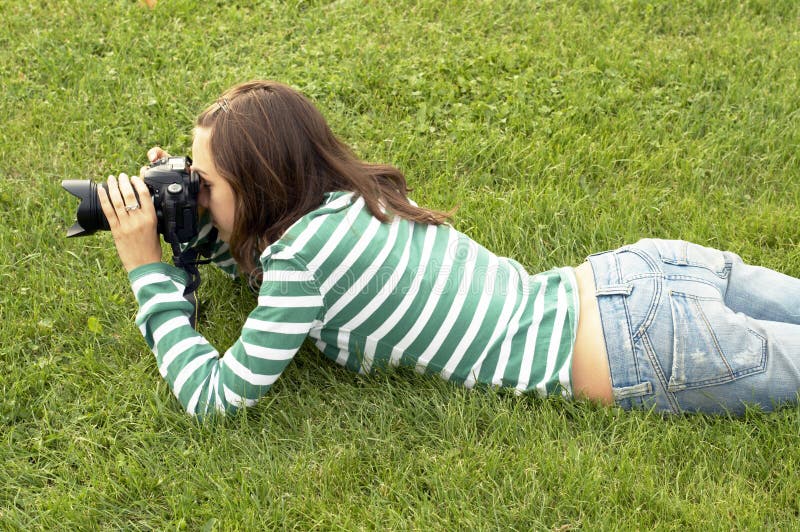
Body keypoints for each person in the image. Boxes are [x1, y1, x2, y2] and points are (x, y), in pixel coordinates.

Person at [97, 80, 800, 417]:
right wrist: (197, 225)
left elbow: (215, 396)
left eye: (204, 183)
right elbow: (264, 276)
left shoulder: (301, 267)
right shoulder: (344, 202)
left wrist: (148, 272)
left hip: (646, 346)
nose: (195, 190)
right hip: (637, 271)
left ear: (260, 187)